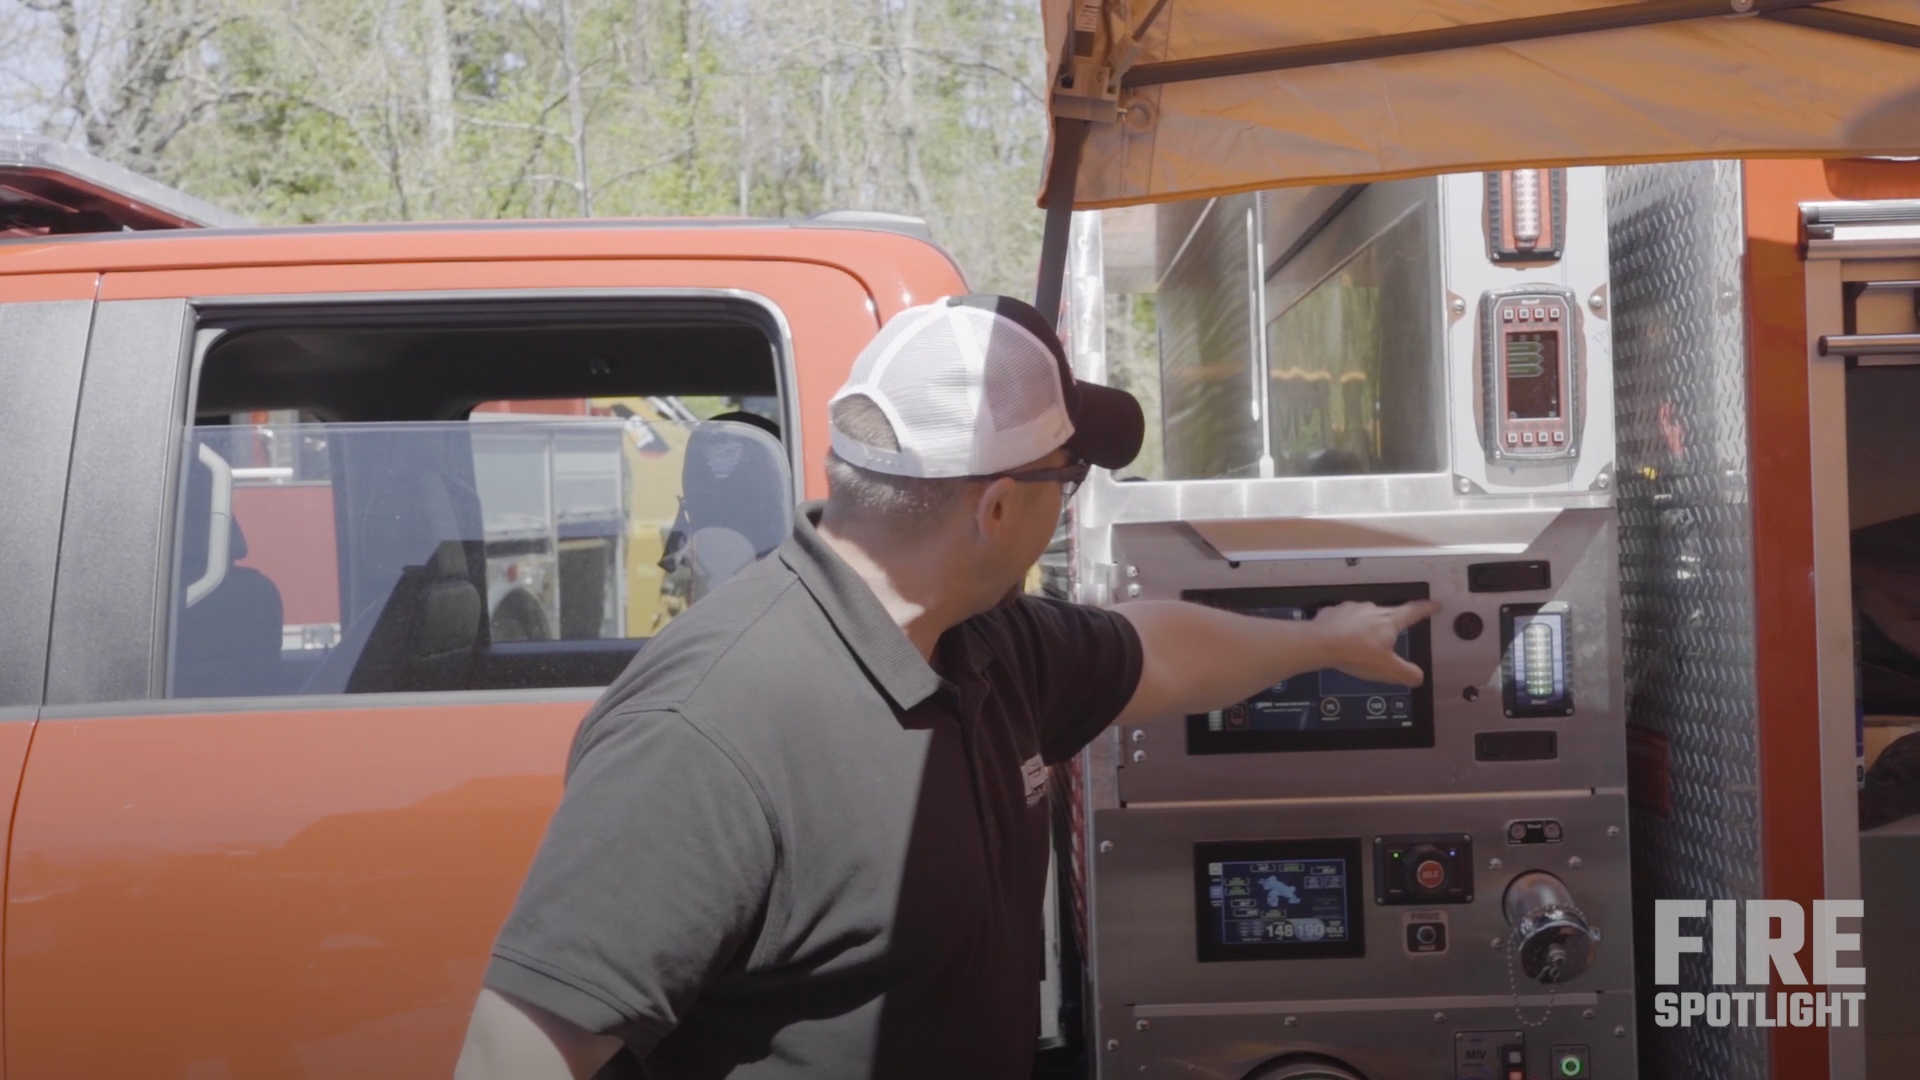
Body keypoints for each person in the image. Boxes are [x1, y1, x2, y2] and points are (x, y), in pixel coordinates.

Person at [455, 295, 1438, 1080]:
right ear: (999, 505)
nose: (1066, 505)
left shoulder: (987, 642)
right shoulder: (713, 724)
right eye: (1070, 478)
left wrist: (1320, 640)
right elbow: (516, 1054)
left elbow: (1154, 651)